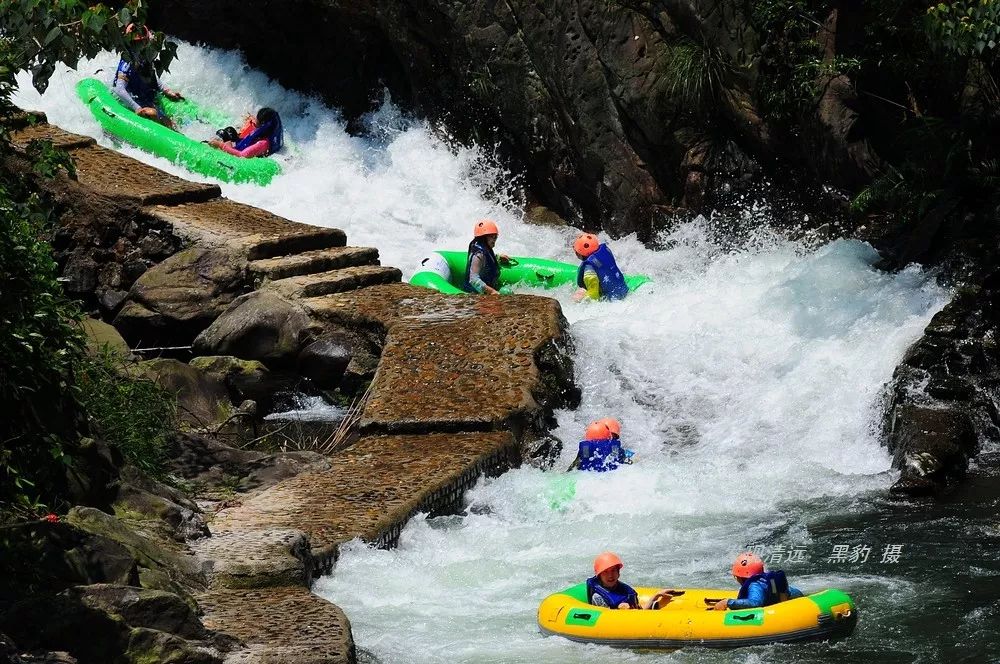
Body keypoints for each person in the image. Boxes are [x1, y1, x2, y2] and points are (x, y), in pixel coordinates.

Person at [111, 23, 182, 127]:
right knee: (155, 115)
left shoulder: (144, 57)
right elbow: (119, 89)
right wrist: (137, 108)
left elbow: (154, 77)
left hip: (145, 98)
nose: (142, 43)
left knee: (171, 123)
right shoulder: (128, 62)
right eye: (138, 41)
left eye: (142, 40)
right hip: (135, 101)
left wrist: (167, 91)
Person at [711, 553, 804, 611]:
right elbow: (796, 593)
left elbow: (755, 603)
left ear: (738, 577)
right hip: (780, 606)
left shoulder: (754, 585)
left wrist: (727, 602)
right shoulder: (768, 580)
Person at [587, 552, 672, 610]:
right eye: (605, 572)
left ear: (618, 573)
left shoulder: (624, 591)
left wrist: (656, 595)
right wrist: (619, 610)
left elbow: (640, 611)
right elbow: (606, 621)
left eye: (613, 570)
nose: (610, 575)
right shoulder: (598, 597)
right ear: (599, 576)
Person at [573, 233, 629, 302]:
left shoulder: (589, 269)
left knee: (577, 296)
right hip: (624, 290)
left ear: (578, 253)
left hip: (612, 300)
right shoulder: (606, 251)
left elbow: (594, 295)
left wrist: (582, 299)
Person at [209, 108, 284, 158]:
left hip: (240, 154)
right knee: (230, 130)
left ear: (263, 125)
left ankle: (213, 143)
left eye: (257, 120)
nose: (255, 120)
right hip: (247, 147)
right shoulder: (270, 130)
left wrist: (220, 145)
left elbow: (242, 155)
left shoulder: (263, 144)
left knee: (222, 134)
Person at [463, 219, 510, 295]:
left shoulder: (485, 249)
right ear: (484, 238)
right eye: (493, 237)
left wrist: (497, 257)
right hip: (474, 293)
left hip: (488, 286)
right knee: (506, 293)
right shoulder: (478, 254)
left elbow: (487, 261)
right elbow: (473, 279)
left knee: (507, 291)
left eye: (496, 236)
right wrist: (492, 292)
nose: (495, 239)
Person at [569, 421, 633, 472]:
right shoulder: (614, 446)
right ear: (608, 434)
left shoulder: (585, 447)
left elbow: (576, 464)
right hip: (610, 476)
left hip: (587, 476)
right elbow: (621, 459)